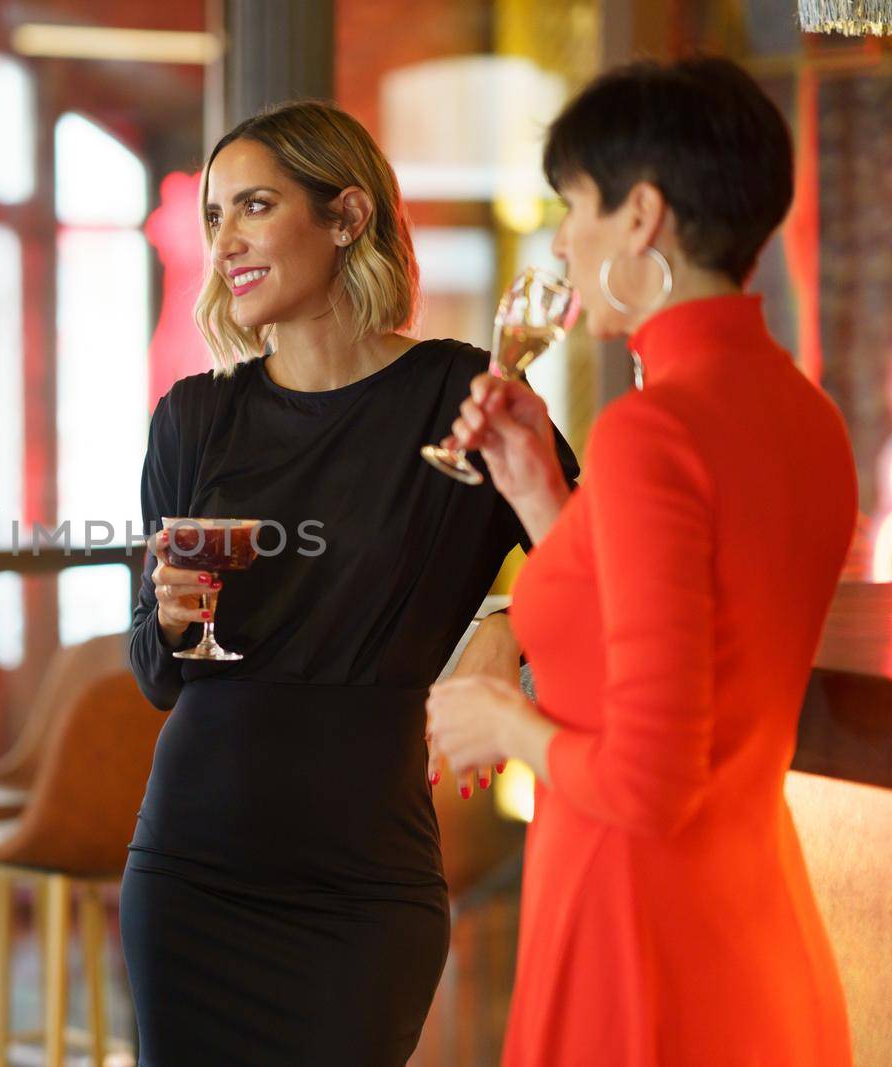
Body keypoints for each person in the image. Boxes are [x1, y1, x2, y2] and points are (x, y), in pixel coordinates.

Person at [119, 100, 577, 1066]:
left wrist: (508, 619)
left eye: (252, 205)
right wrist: (162, 616)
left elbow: (595, 550)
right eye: (213, 216)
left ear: (346, 216)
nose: (225, 239)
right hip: (192, 876)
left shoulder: (463, 395)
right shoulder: (193, 420)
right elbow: (159, 677)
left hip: (364, 889)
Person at [426, 56, 856, 1065]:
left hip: (636, 929)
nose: (564, 239)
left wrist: (500, 719)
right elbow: (658, 625)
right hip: (753, 921)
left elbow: (651, 780)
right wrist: (535, 483)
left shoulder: (651, 430)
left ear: (641, 216)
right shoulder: (805, 416)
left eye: (573, 204)